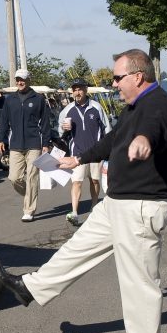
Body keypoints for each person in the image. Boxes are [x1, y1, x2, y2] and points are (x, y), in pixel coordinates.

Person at [0, 49, 167, 333]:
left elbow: (153, 128)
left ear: (138, 76)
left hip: (141, 206)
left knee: (139, 281)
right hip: (118, 202)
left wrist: (144, 140)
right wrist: (78, 159)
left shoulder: (158, 106)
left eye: (117, 78)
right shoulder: (135, 107)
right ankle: (32, 287)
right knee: (78, 246)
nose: (114, 84)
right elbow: (113, 139)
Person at [0, 68, 51, 222]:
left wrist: (46, 143)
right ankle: (30, 194)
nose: (20, 82)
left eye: (23, 80)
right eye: (18, 80)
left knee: (32, 177)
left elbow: (45, 123)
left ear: (28, 80)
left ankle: (29, 210)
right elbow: (4, 122)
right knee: (14, 178)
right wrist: (0, 140)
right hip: (16, 144)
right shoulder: (10, 100)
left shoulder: (38, 99)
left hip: (34, 144)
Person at [57, 79, 111, 227]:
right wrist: (64, 129)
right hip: (77, 153)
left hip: (96, 153)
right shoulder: (67, 110)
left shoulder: (96, 107)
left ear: (86, 90)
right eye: (74, 89)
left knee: (94, 181)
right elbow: (60, 132)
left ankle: (94, 207)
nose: (77, 92)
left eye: (80, 89)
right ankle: (74, 212)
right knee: (76, 182)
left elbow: (107, 129)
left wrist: (108, 149)